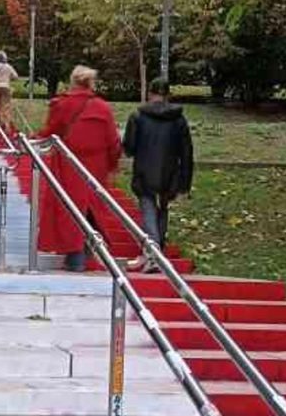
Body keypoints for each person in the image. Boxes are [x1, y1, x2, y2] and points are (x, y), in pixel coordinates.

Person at [34, 65, 121, 271]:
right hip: (96, 166)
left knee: (69, 207)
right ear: (91, 82)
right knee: (91, 207)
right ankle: (85, 250)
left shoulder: (62, 104)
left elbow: (49, 131)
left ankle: (75, 254)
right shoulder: (102, 107)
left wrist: (31, 141)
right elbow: (113, 140)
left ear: (72, 81)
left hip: (68, 163)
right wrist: (112, 164)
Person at [123, 77, 194, 273]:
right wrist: (185, 183)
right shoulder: (179, 120)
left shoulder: (138, 116)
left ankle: (152, 253)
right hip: (170, 174)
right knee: (162, 210)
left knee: (148, 210)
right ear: (168, 94)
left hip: (144, 171)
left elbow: (129, 147)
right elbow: (186, 153)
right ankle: (157, 249)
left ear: (150, 93)